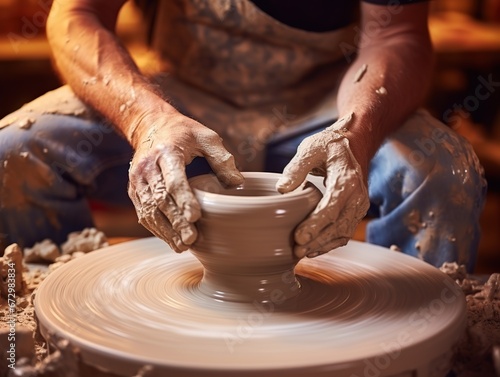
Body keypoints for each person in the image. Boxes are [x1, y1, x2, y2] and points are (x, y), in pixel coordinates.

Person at [0, 0, 487, 271]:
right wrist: (148, 121)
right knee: (15, 151)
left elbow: (396, 35)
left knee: (442, 172)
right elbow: (76, 17)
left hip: (328, 106)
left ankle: (409, 349)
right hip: (178, 105)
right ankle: (56, 337)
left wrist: (354, 134)